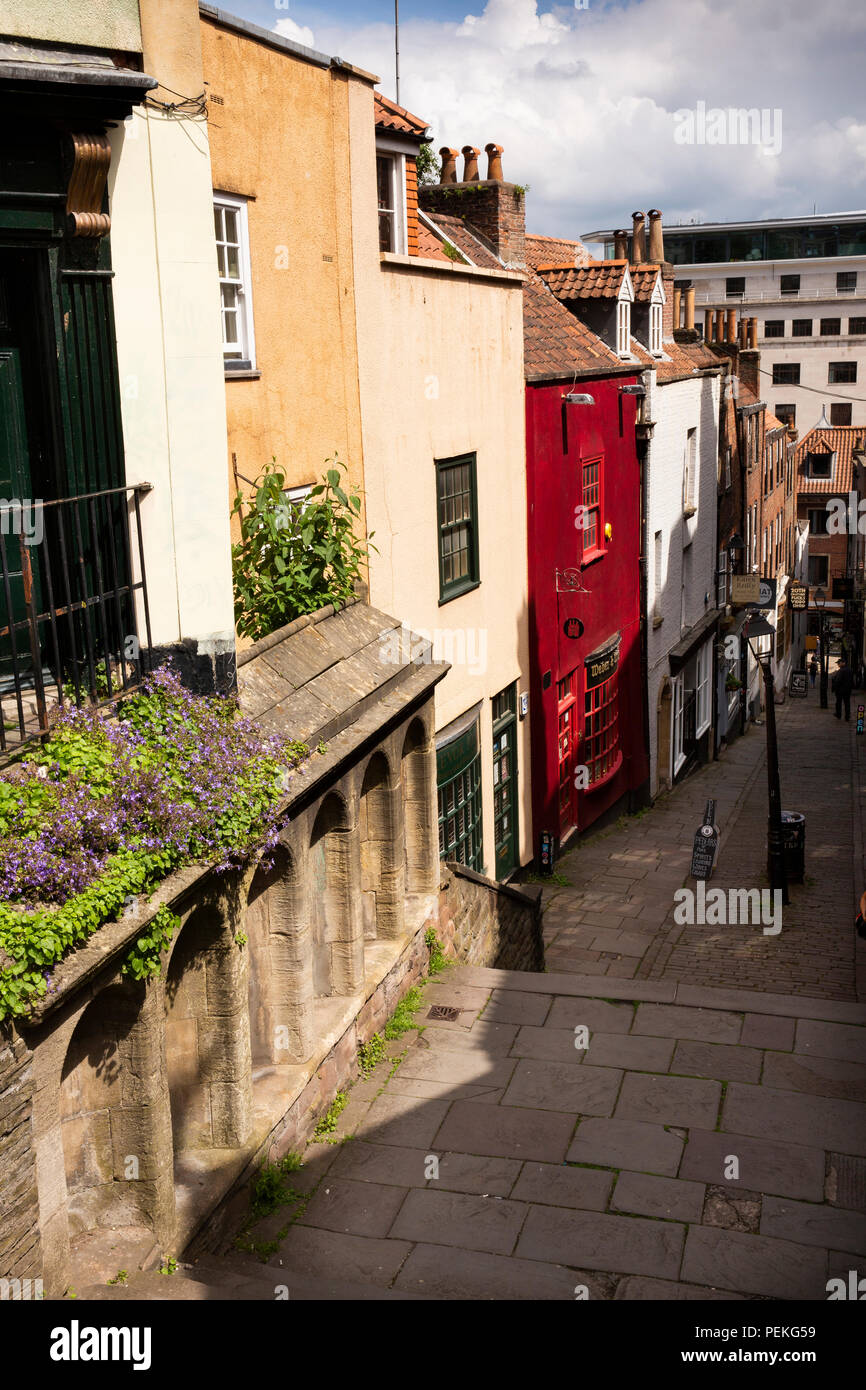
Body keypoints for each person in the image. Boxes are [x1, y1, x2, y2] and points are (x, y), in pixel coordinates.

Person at [832, 655, 854, 720]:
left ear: (843, 663)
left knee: (838, 703)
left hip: (840, 690)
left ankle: (838, 714)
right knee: (847, 703)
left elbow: (837, 681)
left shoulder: (841, 671)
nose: (838, 664)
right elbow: (852, 680)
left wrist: (834, 688)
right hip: (848, 690)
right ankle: (847, 716)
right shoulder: (850, 670)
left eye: (839, 663)